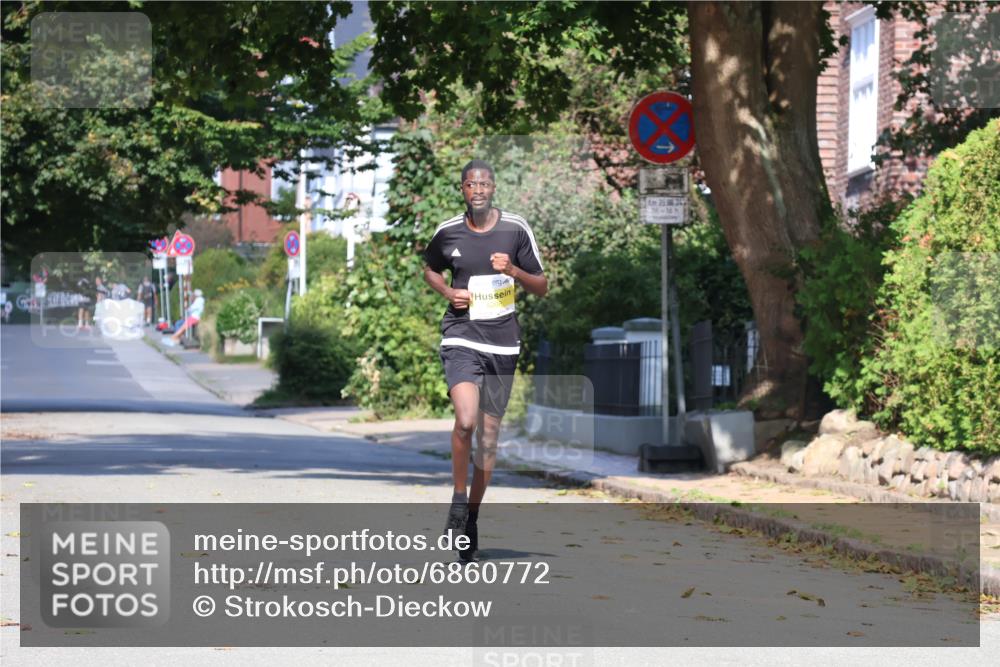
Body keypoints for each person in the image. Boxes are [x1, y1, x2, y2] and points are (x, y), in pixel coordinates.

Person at [422, 159, 548, 561]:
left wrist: (512, 269)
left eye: (485, 183)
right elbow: (430, 270)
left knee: (489, 440)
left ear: (494, 188)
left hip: (503, 344)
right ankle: (459, 499)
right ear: (462, 189)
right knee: (466, 420)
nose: (478, 189)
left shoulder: (515, 228)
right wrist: (448, 293)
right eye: (470, 184)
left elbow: (542, 286)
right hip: (461, 335)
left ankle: (471, 516)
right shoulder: (448, 231)